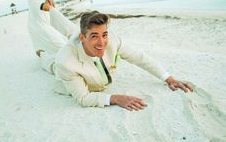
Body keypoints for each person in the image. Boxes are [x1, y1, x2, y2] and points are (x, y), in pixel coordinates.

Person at [39, 10, 193, 111]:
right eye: (94, 36)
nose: (101, 42)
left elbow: (139, 57)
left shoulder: (112, 40)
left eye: (104, 34)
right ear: (83, 37)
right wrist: (116, 98)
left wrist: (169, 78)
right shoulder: (65, 62)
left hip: (77, 43)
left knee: (70, 34)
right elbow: (83, 98)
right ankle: (42, 56)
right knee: (53, 66)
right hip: (64, 65)